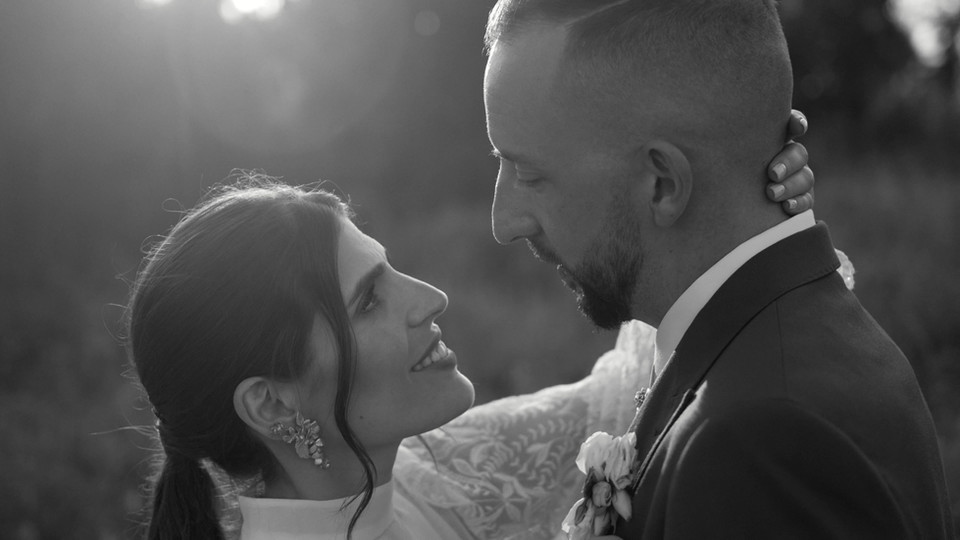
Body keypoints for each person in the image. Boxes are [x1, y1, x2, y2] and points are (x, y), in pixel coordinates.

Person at [128, 151, 814, 539]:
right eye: (369, 300)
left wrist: (734, 203)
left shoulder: (438, 471)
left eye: (391, 271)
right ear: (272, 404)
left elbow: (621, 397)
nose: (430, 298)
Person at [482, 0, 954, 539]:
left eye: (530, 174)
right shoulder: (782, 337)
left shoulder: (756, 444)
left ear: (663, 184)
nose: (503, 222)